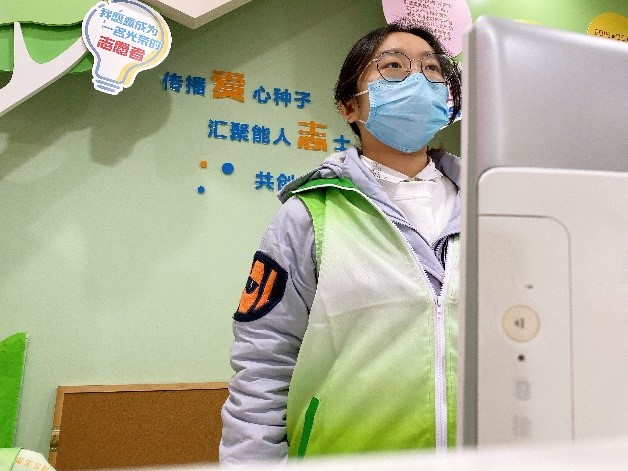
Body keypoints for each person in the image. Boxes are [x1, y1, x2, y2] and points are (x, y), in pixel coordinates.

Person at [220, 20, 462, 464]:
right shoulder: (309, 213)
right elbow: (263, 361)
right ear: (350, 106)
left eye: (432, 69)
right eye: (394, 66)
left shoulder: (492, 204)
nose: (419, 79)